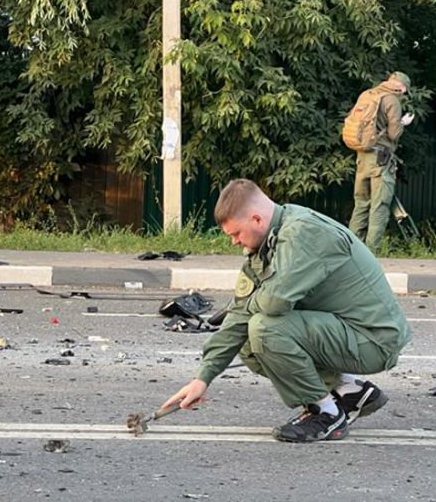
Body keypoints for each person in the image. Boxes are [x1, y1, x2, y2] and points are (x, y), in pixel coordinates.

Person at [162, 179, 411, 443]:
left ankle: (326, 413)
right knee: (247, 338)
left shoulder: (303, 234)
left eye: (236, 234)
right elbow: (239, 314)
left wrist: (249, 306)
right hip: (345, 331)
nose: (234, 242)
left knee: (264, 328)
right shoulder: (268, 242)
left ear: (257, 219)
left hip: (373, 339)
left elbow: (273, 303)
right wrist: (203, 378)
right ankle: (348, 390)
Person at [347, 71, 415, 253]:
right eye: (404, 91)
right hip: (381, 159)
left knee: (361, 203)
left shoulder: (367, 94)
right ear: (401, 87)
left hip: (362, 156)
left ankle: (352, 251)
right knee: (380, 206)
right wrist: (402, 123)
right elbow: (394, 134)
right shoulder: (391, 100)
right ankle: (372, 253)